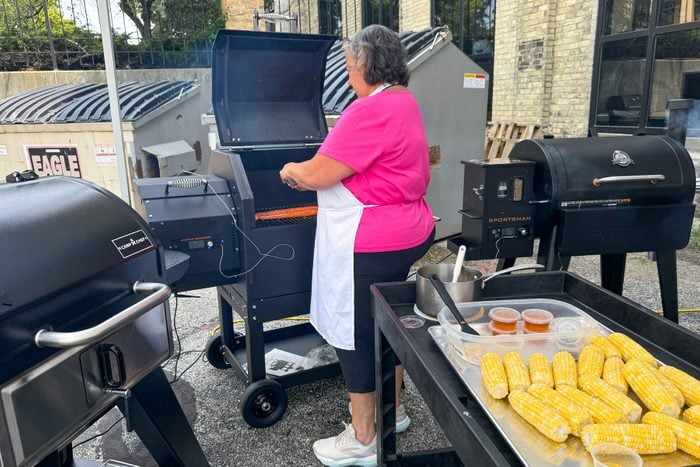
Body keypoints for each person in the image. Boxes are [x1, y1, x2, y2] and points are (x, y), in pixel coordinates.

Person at [279, 24, 435, 467]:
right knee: (389, 324)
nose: (347, 73)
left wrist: (289, 168)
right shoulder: (403, 101)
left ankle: (365, 438)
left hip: (370, 239)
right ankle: (395, 410)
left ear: (365, 64)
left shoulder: (367, 111)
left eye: (349, 64)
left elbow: (315, 175)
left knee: (357, 333)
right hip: (410, 230)